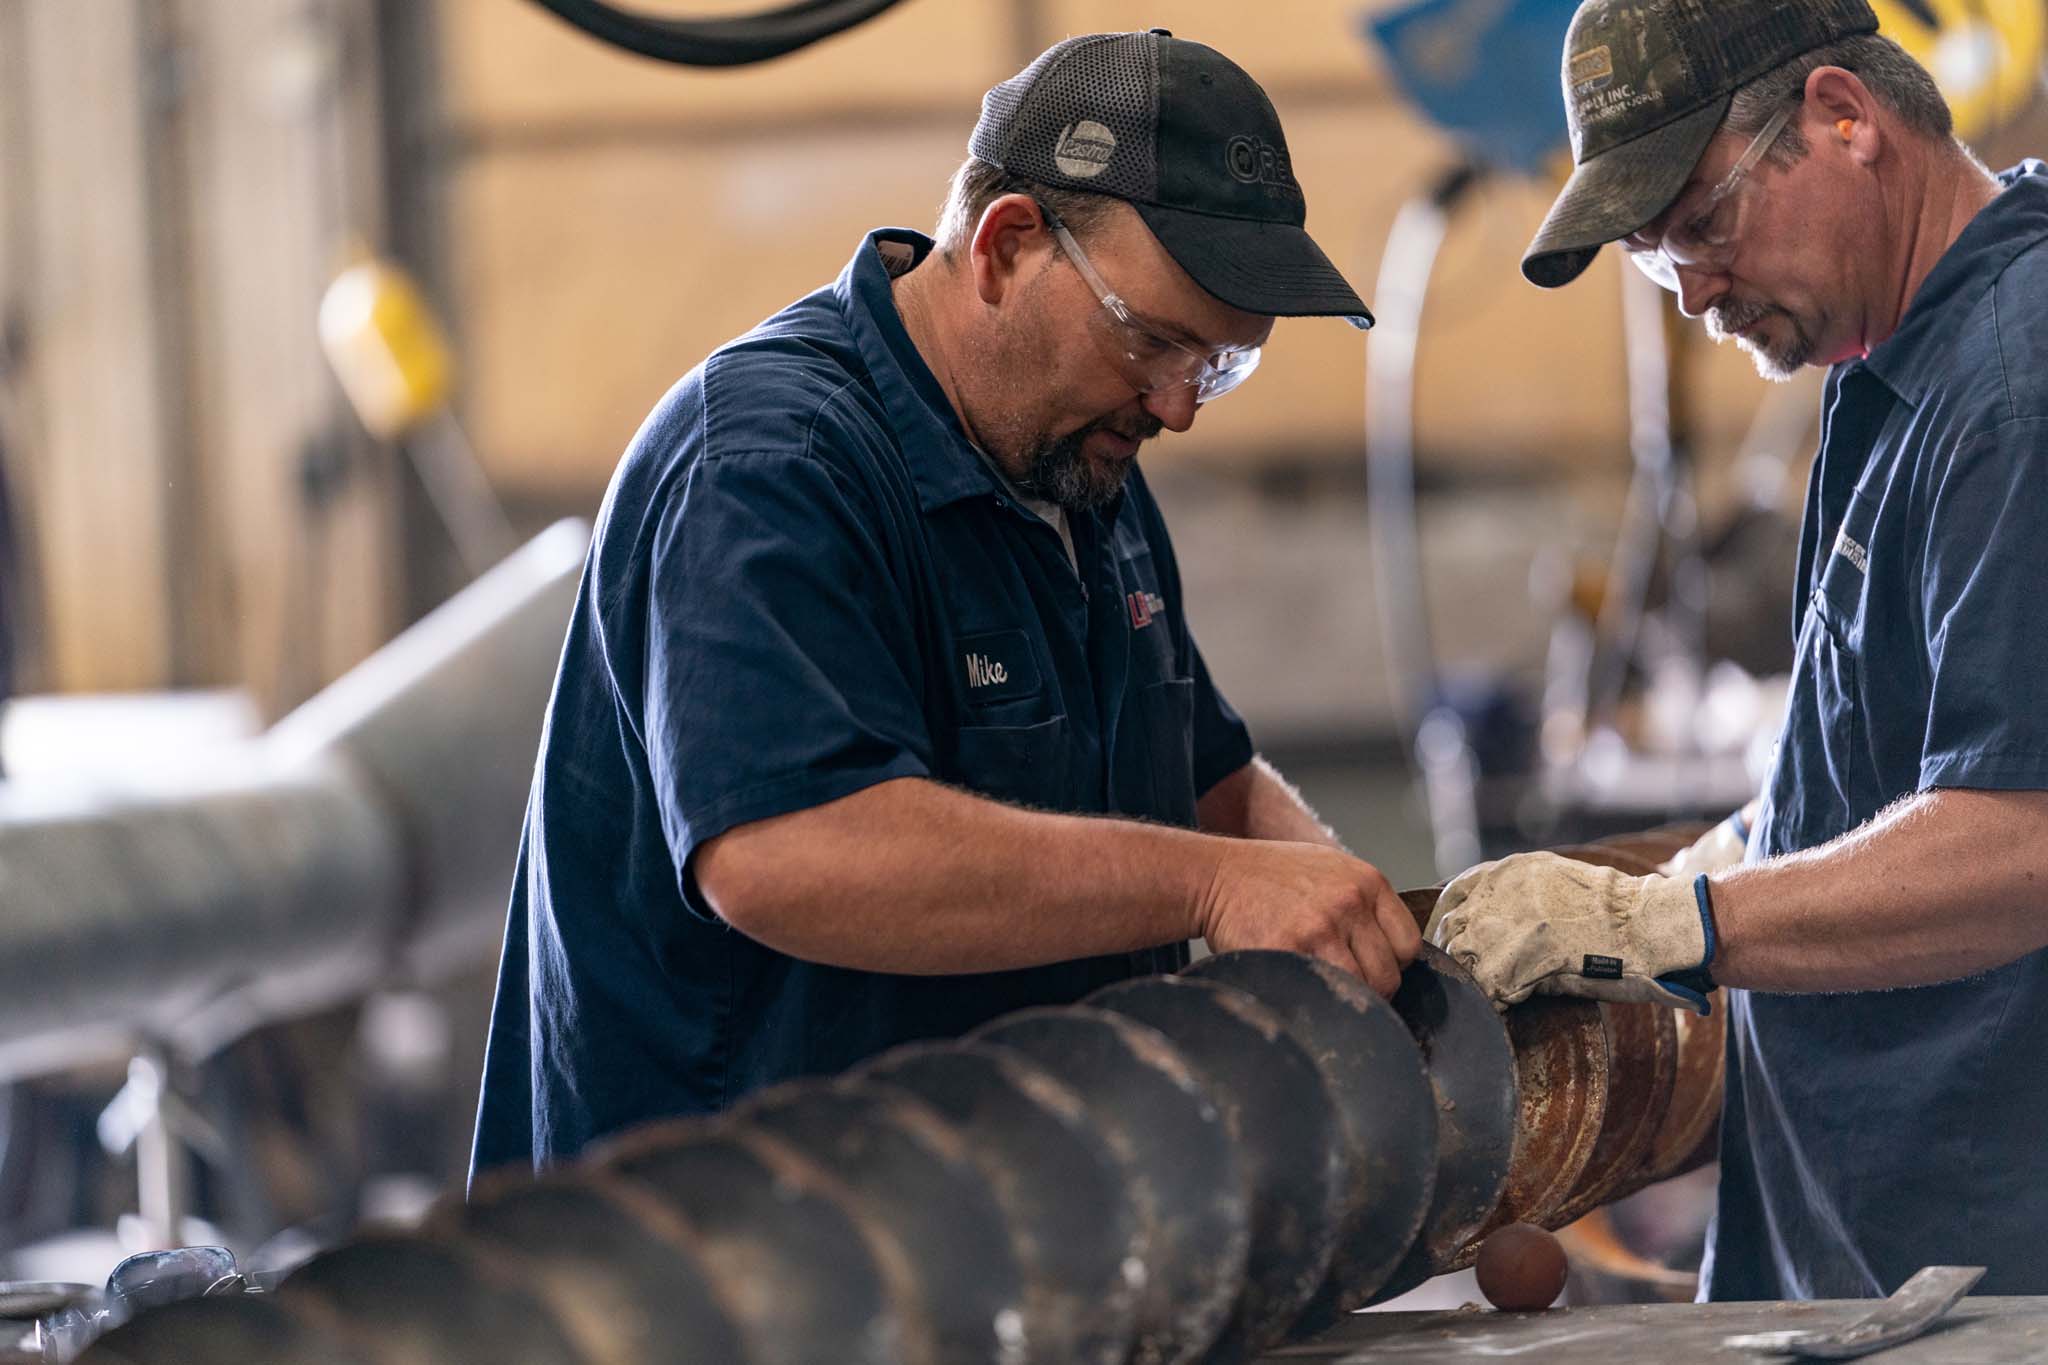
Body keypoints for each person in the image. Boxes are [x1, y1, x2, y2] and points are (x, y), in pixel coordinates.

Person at [470, 29, 1423, 1177]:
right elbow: (783, 852)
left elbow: (1205, 777)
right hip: (728, 1277)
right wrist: (1218, 886)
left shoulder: (1080, 468)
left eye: (1219, 367)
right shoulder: (769, 466)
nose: (1178, 408)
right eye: (1157, 342)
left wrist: (1353, 927)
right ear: (1007, 246)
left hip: (996, 1248)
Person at [1427, 0, 2048, 1301]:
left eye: (1704, 226)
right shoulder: (1900, 362)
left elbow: (2026, 838)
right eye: (1656, 262)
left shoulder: (2016, 392)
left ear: (1845, 116)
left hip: (1990, 1271)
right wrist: (1758, 840)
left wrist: (1673, 919)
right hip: (1871, 1254)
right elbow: (1907, 752)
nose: (1696, 292)